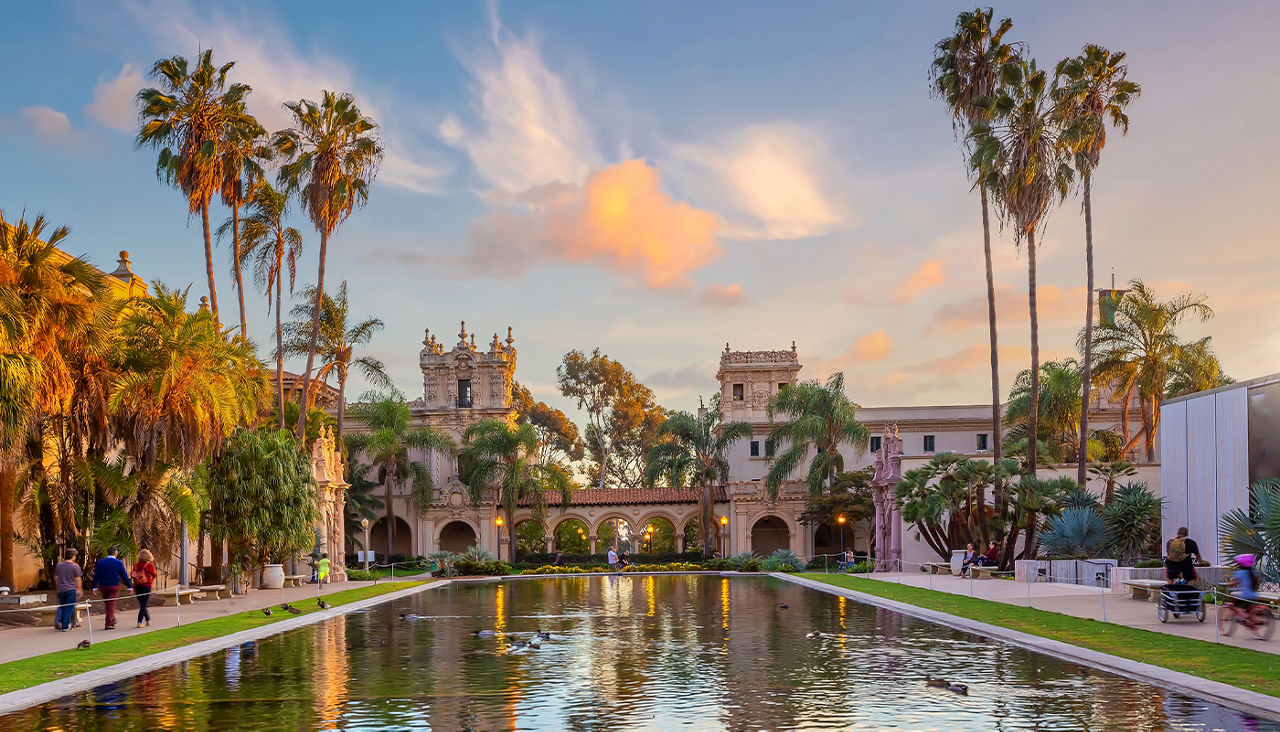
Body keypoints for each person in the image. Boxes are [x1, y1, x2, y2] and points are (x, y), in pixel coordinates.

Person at [92, 546, 132, 630]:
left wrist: (94, 587)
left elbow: (96, 575)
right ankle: (109, 623)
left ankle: (112, 619)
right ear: (115, 554)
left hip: (103, 586)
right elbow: (124, 575)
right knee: (110, 604)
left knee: (108, 604)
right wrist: (129, 586)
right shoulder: (118, 563)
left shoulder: (101, 562)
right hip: (114, 585)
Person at [53, 548, 83, 632]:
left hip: (61, 589)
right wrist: (79, 589)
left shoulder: (59, 565)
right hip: (71, 589)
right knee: (68, 607)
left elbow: (56, 577)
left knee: (61, 606)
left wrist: (58, 587)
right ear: (73, 557)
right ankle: (65, 626)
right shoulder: (75, 566)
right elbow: (78, 579)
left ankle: (58, 621)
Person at [131, 548, 157, 628]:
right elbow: (154, 575)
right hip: (146, 586)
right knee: (143, 604)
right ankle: (139, 622)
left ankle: (148, 620)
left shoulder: (135, 565)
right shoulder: (149, 565)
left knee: (142, 603)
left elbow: (132, 574)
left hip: (137, 586)